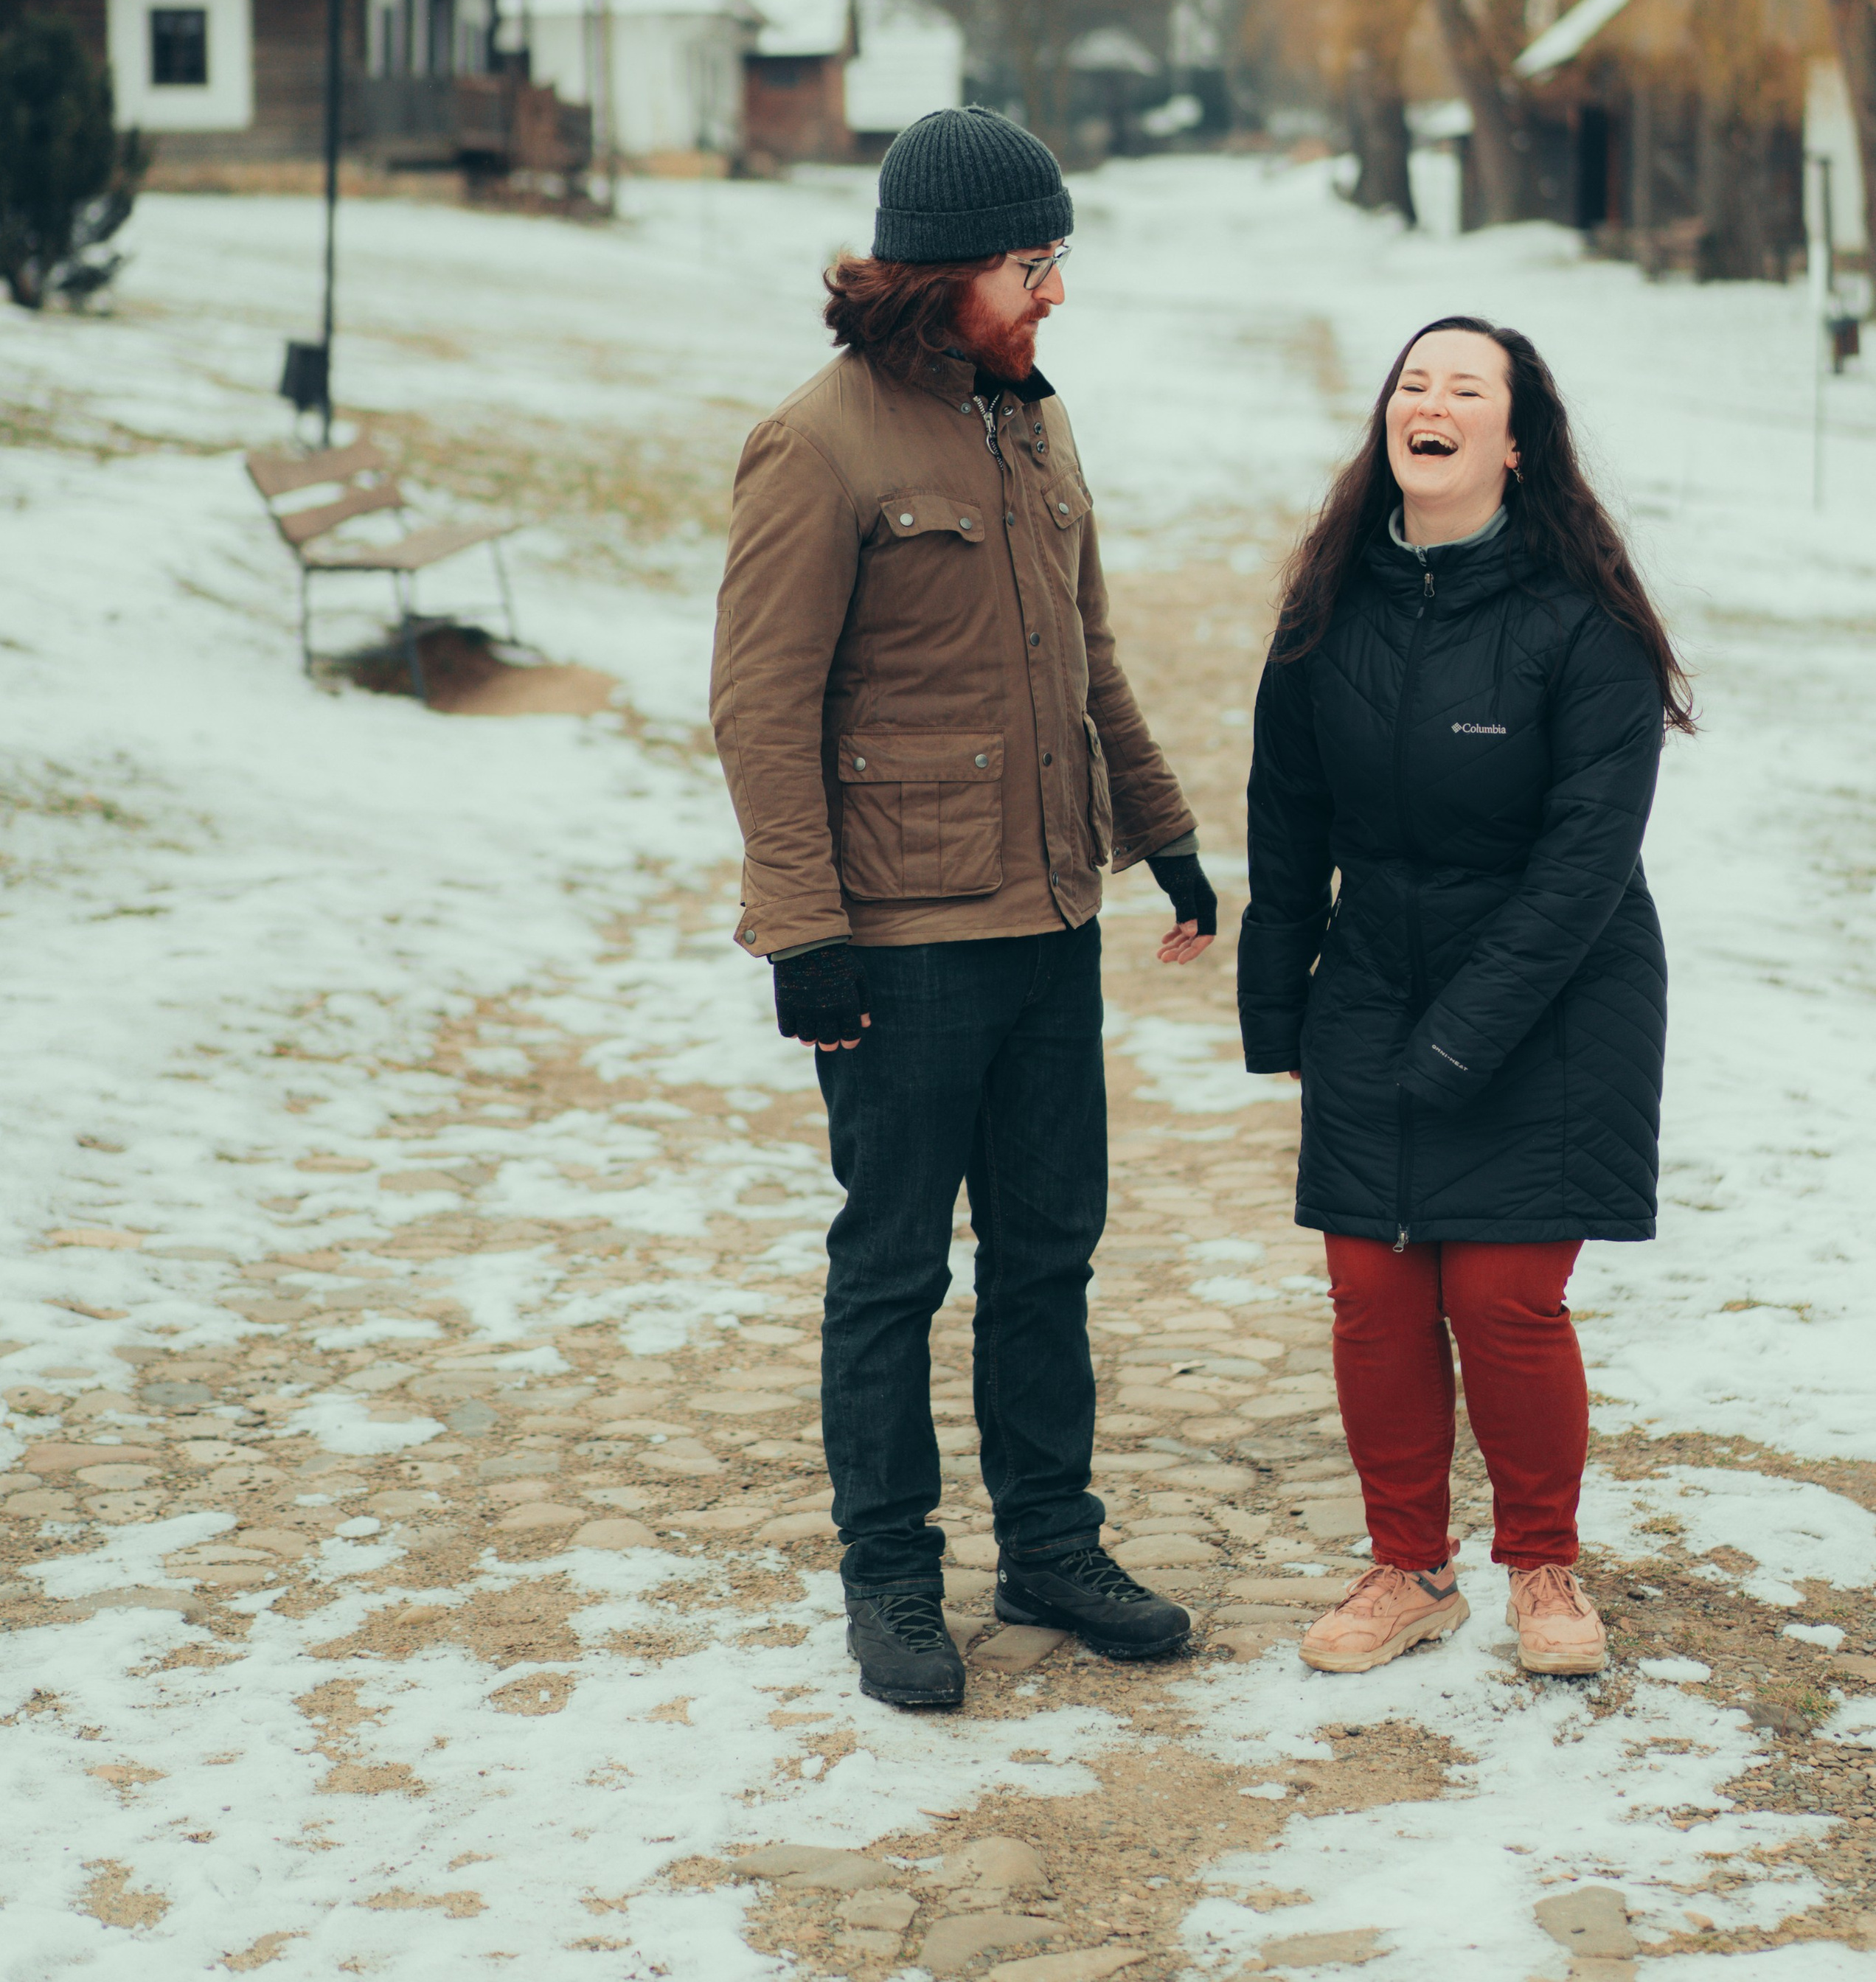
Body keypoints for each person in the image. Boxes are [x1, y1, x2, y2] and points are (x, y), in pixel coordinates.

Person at [711, 107, 1217, 1710]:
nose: (1054, 291)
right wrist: (801, 930)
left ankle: (1051, 1549)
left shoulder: (1034, 424)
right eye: (1031, 263)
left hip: (1046, 916)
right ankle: (891, 1579)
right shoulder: (820, 442)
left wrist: (1166, 833)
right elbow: (759, 703)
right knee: (890, 1270)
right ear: (944, 272)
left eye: (1056, 259)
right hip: (900, 936)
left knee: (1048, 1252)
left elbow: (1090, 659)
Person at [1237, 314, 1690, 1680]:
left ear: (1515, 437)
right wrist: (1284, 1013)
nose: (1427, 404)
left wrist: (1458, 1040)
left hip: (1558, 990)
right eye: (1412, 385)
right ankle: (1408, 1568)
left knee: (1503, 1297)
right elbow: (1286, 818)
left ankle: (1543, 1568)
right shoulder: (1328, 603)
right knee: (1373, 1290)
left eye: (1464, 389)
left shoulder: (1583, 622)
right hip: (1377, 978)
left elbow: (1585, 864)